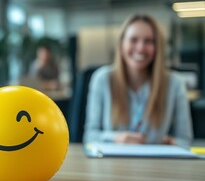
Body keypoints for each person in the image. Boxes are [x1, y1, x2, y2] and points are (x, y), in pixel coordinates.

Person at [83, 14, 193, 149]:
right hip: (114, 165)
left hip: (157, 165)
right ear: (122, 44)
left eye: (149, 41)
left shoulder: (175, 84)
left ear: (157, 47)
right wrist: (116, 138)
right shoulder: (102, 79)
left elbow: (185, 141)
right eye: (133, 40)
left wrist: (171, 143)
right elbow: (89, 137)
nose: (140, 48)